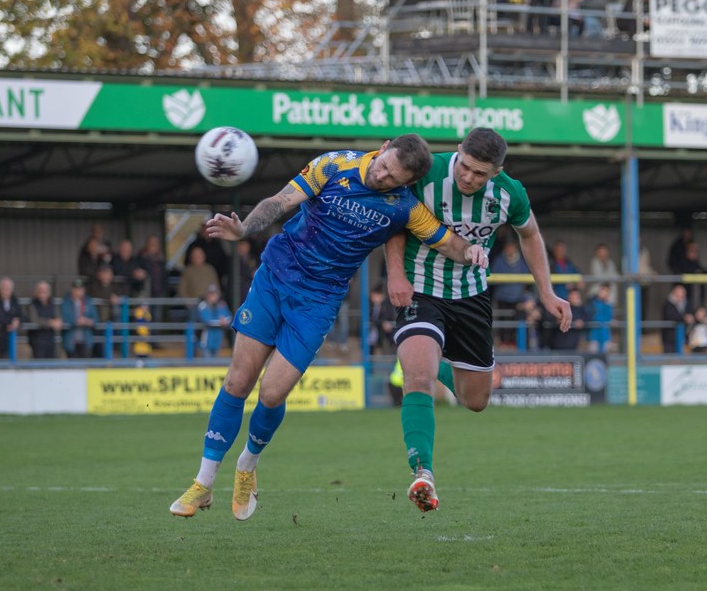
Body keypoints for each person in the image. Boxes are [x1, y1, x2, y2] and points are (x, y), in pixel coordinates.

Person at [170, 134, 488, 521]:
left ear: (404, 184)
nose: (380, 175)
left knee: (271, 394)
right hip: (275, 278)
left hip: (318, 302)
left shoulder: (404, 207)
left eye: (391, 178)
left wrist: (470, 250)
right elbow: (279, 202)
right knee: (238, 381)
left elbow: (446, 241)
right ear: (383, 147)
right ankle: (202, 484)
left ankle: (247, 467)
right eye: (383, 165)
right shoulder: (333, 164)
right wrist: (244, 230)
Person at [384, 127, 571, 513]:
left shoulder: (510, 194)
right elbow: (396, 221)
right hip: (420, 287)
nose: (469, 178)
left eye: (480, 173)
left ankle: (434, 364)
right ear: (458, 152)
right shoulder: (427, 172)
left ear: (498, 171)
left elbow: (531, 235)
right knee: (417, 378)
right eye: (466, 167)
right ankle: (423, 473)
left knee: (476, 401)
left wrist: (547, 292)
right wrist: (395, 275)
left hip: (471, 296)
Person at [489, 240, 531, 347]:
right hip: (502, 296)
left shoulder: (521, 260)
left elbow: (526, 275)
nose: (510, 250)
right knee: (502, 320)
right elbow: (493, 274)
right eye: (508, 248)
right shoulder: (499, 260)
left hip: (517, 297)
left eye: (512, 248)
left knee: (515, 320)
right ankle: (503, 342)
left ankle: (513, 342)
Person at [0, 276, 23, 359]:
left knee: (7, 366)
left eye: (8, 289)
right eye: (4, 288)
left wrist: (17, 321)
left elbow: (21, 315)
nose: (6, 291)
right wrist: (7, 324)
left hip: (8, 341)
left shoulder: (15, 301)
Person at [25, 280, 63, 359]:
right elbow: (34, 319)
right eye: (41, 291)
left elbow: (57, 315)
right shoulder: (32, 304)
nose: (43, 294)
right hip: (37, 340)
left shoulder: (52, 304)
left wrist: (59, 321)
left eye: (45, 291)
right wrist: (49, 323)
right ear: (37, 292)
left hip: (50, 339)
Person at [61, 278, 97, 358]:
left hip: (86, 341)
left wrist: (87, 321)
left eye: (80, 289)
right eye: (76, 289)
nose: (78, 291)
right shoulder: (66, 302)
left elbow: (95, 319)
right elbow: (64, 318)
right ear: (72, 290)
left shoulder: (89, 301)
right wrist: (76, 321)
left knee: (86, 364)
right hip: (71, 342)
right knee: (73, 367)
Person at [196, 284, 231, 358]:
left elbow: (229, 317)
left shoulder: (222, 305)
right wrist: (221, 322)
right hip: (206, 342)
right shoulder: (203, 305)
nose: (213, 296)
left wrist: (225, 321)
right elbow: (207, 320)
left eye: (215, 294)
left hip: (218, 341)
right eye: (211, 294)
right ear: (207, 295)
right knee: (207, 364)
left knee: (216, 363)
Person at [661, 284, 693, 354]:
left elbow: (690, 313)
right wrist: (684, 318)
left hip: (683, 335)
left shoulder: (686, 303)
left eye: (683, 293)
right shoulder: (668, 304)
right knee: (670, 356)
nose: (682, 295)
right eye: (680, 293)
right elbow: (670, 315)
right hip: (669, 337)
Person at [367, 286, 397, 355]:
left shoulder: (387, 305)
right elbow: (370, 318)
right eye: (373, 295)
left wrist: (385, 323)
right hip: (375, 327)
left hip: (386, 329)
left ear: (382, 296)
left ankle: (394, 354)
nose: (375, 298)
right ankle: (370, 356)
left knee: (392, 334)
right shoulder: (368, 305)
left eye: (377, 295)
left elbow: (390, 316)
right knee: (372, 334)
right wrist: (382, 322)